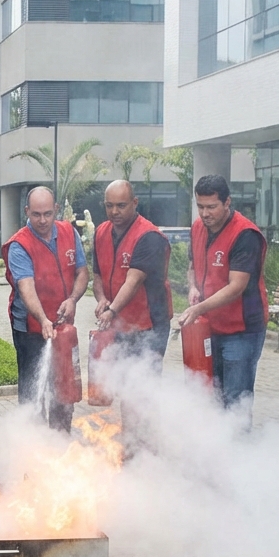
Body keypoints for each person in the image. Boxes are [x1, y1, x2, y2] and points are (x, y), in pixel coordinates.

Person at [176, 175, 269, 416]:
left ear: (227, 202)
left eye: (211, 207)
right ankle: (216, 452)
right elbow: (192, 265)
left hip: (241, 331)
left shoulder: (245, 235)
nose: (205, 214)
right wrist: (193, 287)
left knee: (236, 401)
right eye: (200, 207)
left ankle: (240, 451)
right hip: (210, 330)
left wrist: (198, 309)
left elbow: (236, 286)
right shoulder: (198, 228)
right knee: (211, 398)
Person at [3, 186, 89, 432]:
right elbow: (26, 287)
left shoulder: (69, 233)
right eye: (36, 214)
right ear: (27, 211)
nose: (42, 220)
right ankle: (35, 449)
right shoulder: (20, 244)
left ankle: (61, 443)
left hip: (64, 329)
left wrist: (72, 299)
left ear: (57, 210)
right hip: (30, 329)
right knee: (33, 393)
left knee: (64, 388)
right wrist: (42, 319)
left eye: (48, 214)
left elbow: (82, 272)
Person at [91, 180, 173, 436]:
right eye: (109, 206)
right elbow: (97, 277)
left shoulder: (149, 237)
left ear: (135, 203)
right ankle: (131, 442)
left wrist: (111, 310)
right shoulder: (101, 232)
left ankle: (145, 448)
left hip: (150, 325)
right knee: (126, 386)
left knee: (142, 389)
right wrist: (102, 298)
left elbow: (133, 280)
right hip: (121, 324)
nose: (115, 211)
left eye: (121, 205)